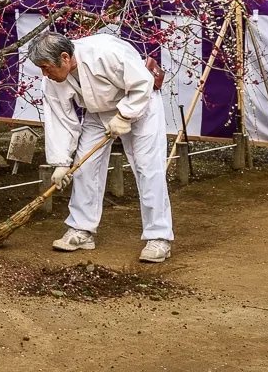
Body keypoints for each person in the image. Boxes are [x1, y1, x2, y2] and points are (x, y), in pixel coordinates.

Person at [28, 30, 173, 264]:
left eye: (46, 67)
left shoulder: (105, 52)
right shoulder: (52, 79)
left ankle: (159, 237)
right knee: (84, 166)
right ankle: (82, 229)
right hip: (98, 112)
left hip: (140, 104)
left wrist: (125, 116)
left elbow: (142, 83)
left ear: (65, 57)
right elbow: (60, 118)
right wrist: (61, 162)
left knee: (148, 168)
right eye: (41, 69)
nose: (45, 74)